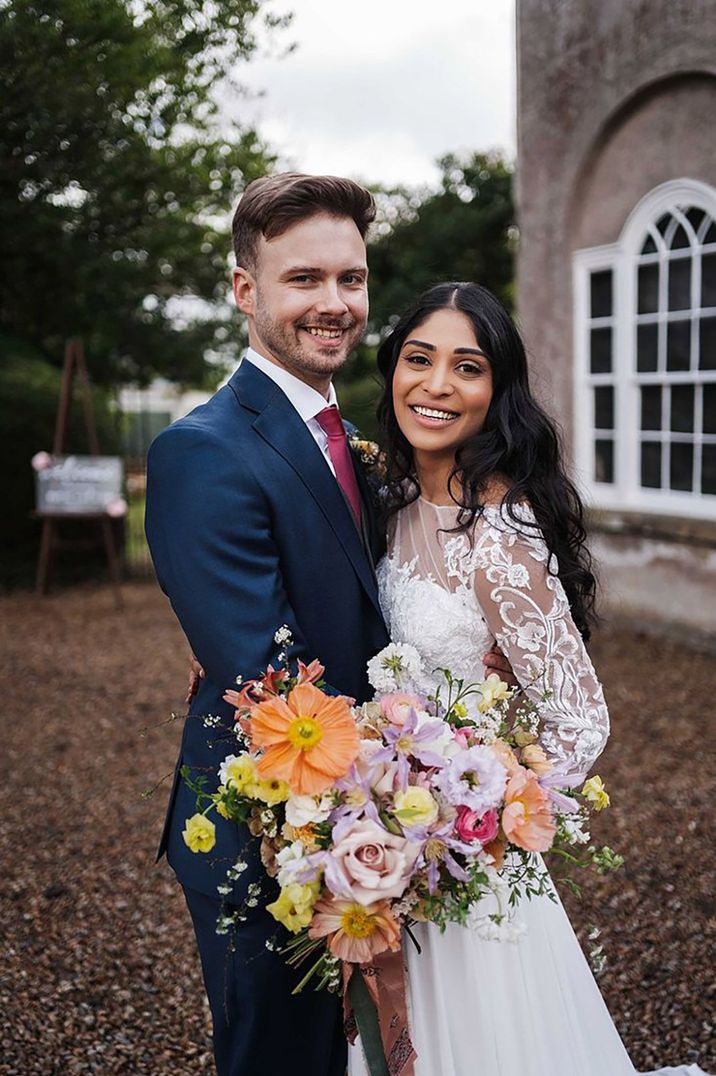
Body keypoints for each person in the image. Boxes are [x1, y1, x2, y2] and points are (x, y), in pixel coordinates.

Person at [146, 173, 513, 1076]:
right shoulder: (203, 449)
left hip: (381, 823)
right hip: (274, 839)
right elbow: (267, 680)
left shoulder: (354, 439)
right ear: (246, 290)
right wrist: (399, 813)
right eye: (303, 279)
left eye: (350, 279)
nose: (334, 303)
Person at [345, 281, 710, 1076]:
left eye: (466, 368)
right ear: (394, 369)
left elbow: (580, 721)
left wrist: (468, 817)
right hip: (377, 847)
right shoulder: (388, 499)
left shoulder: (500, 535)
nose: (437, 386)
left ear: (496, 392)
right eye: (419, 359)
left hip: (461, 870)